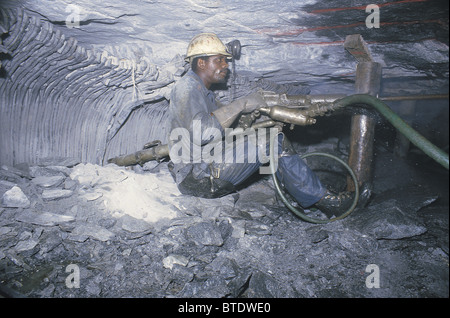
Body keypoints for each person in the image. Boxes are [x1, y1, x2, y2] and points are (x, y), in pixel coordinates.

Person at [167, 33, 353, 215]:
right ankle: (323, 201)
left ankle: (303, 194)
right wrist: (243, 103)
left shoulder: (205, 94)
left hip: (204, 169)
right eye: (220, 60)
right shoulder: (187, 87)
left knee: (271, 136)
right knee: (271, 142)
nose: (226, 65)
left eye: (225, 60)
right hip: (198, 177)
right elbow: (201, 133)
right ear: (201, 62)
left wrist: (248, 119)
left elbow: (222, 129)